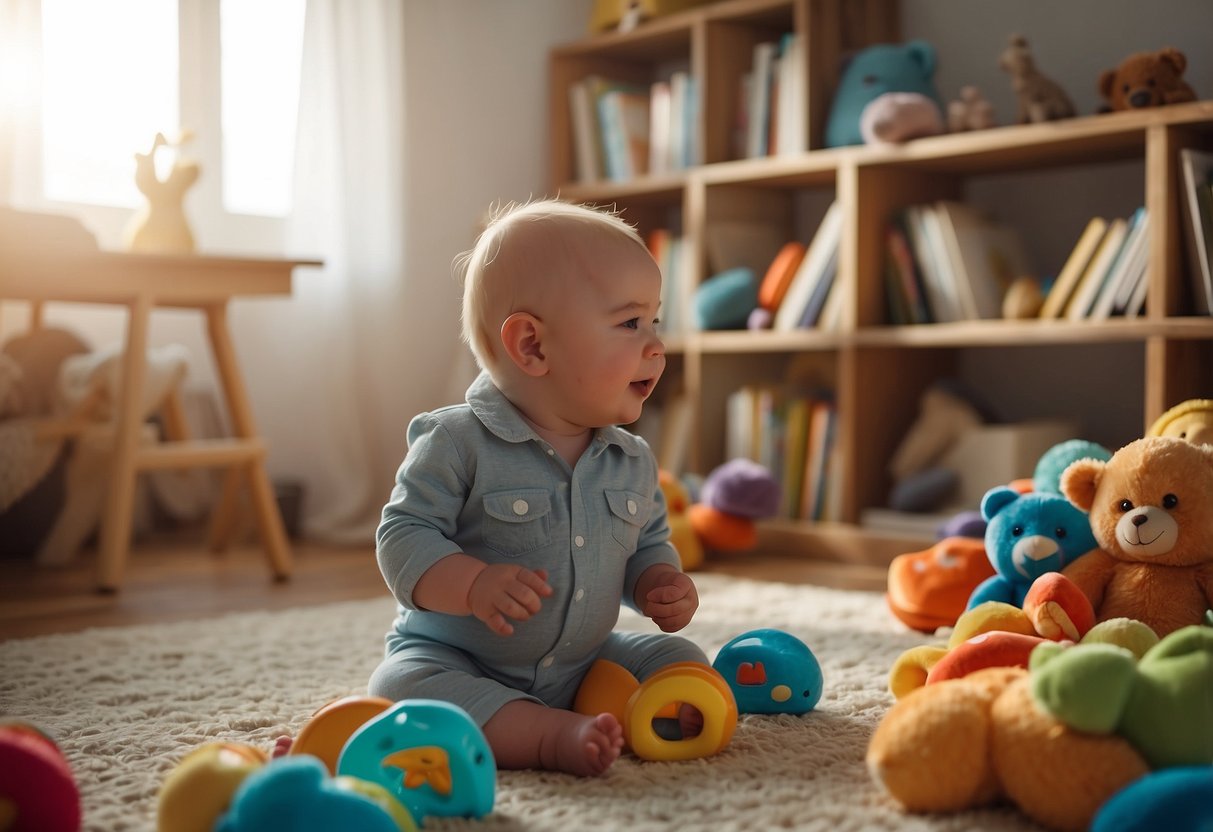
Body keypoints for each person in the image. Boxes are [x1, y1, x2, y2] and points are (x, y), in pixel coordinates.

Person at [368, 199, 706, 777]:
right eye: (630, 323)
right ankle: (550, 737)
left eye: (655, 321)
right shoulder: (455, 440)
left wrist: (659, 583)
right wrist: (472, 585)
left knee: (682, 658)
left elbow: (645, 544)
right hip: (460, 659)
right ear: (532, 346)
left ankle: (638, 708)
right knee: (399, 689)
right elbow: (402, 536)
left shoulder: (633, 460)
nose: (656, 344)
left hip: (581, 661)